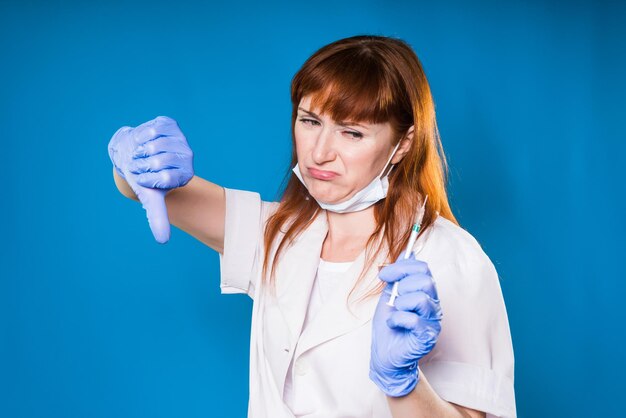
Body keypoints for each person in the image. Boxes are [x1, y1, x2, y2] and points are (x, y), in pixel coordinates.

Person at [108, 35, 515, 418]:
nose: (320, 153)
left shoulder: (450, 259)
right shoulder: (278, 231)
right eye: (310, 121)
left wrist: (402, 385)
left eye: (352, 132)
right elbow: (154, 188)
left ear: (403, 144)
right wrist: (131, 160)